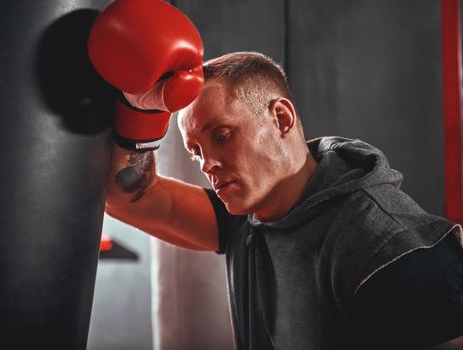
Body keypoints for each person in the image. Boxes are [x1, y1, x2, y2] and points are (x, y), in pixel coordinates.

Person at [88, 2, 463, 349]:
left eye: (222, 136)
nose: (206, 164)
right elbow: (128, 197)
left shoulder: (386, 245)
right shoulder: (251, 218)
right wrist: (139, 111)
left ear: (281, 118)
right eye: (196, 151)